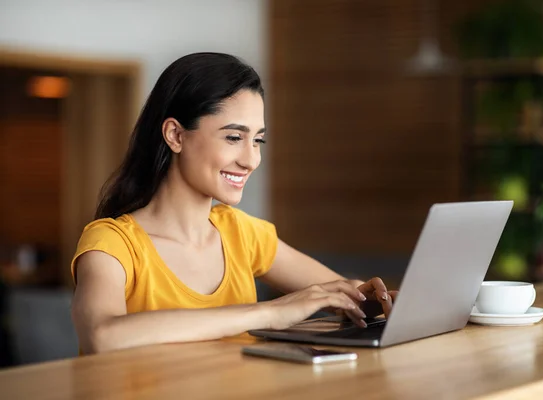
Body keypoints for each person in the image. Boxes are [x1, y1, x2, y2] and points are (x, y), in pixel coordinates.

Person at [71, 52, 397, 354]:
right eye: (233, 137)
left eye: (257, 140)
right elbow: (102, 335)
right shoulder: (112, 243)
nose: (251, 159)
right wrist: (267, 312)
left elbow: (340, 292)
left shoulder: (241, 233)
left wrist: (377, 302)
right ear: (176, 135)